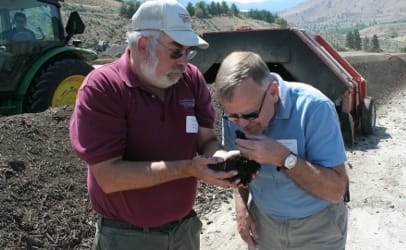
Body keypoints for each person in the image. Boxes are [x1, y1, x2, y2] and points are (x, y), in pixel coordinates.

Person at [69, 1, 241, 249]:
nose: (184, 61)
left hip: (184, 231)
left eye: (188, 52)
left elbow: (206, 140)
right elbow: (109, 177)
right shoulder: (103, 87)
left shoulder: (190, 80)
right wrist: (189, 169)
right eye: (175, 51)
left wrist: (221, 158)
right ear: (142, 45)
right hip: (127, 238)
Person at [214, 51, 349, 249]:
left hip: (318, 228)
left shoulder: (314, 109)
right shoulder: (236, 115)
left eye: (251, 115)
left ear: (273, 92)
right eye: (234, 116)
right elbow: (240, 169)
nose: (241, 124)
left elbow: (336, 191)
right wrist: (241, 207)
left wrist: (284, 158)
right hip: (264, 225)